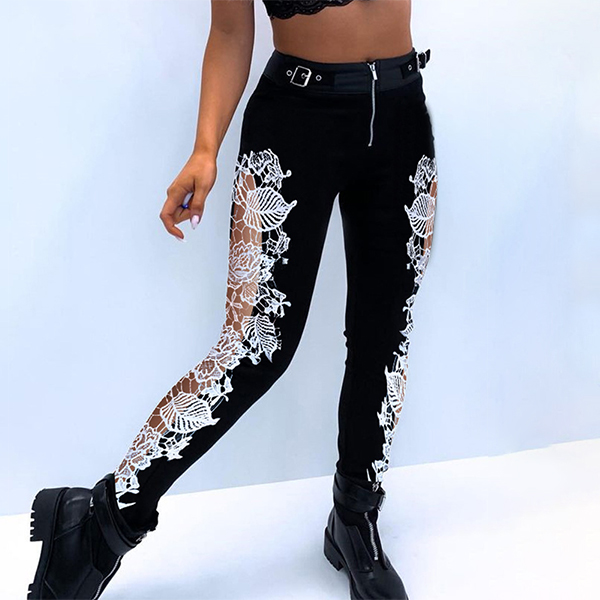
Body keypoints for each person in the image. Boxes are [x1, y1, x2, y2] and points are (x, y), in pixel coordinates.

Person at [27, 1, 438, 598]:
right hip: (296, 122)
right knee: (254, 346)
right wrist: (204, 148)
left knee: (386, 335)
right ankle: (100, 520)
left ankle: (354, 516)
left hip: (402, 114)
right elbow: (228, 30)